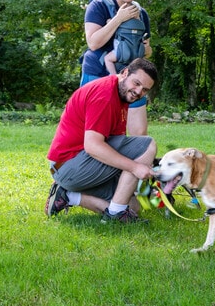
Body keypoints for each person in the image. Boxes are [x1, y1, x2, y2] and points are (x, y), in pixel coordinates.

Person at [45, 58, 159, 223]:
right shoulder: (104, 95)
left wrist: (145, 175)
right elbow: (92, 146)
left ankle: (68, 196)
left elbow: (115, 143)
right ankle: (115, 214)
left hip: (80, 166)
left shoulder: (122, 96)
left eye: (144, 89)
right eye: (136, 83)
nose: (138, 91)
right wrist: (135, 167)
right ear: (125, 72)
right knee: (147, 144)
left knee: (134, 206)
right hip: (68, 165)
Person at [80, 0, 152, 136]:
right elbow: (93, 43)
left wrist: (146, 49)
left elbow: (147, 51)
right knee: (96, 130)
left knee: (140, 132)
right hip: (97, 72)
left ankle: (138, 161)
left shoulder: (141, 13)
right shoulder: (98, 6)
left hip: (131, 77)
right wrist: (119, 19)